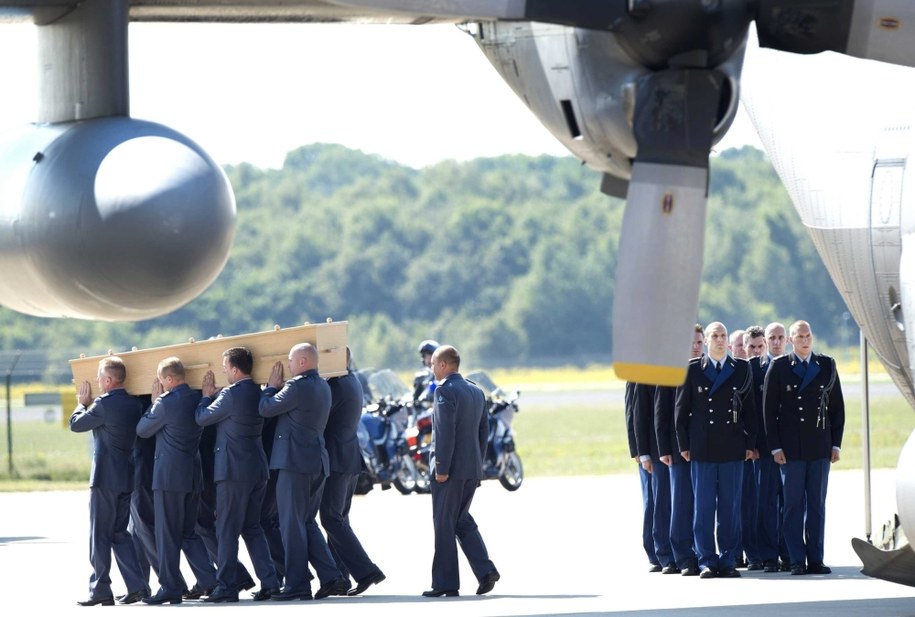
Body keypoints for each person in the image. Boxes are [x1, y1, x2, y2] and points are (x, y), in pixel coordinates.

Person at [259, 342, 349, 601]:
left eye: (290, 360)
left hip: (294, 464)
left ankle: (297, 583)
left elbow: (266, 409)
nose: (287, 365)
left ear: (301, 362)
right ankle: (332, 577)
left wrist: (270, 389)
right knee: (306, 522)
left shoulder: (297, 387)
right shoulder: (322, 385)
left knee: (291, 524)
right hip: (316, 462)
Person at [195, 347, 282, 602]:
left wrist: (205, 397)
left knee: (226, 529)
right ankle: (270, 582)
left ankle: (226, 586)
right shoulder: (258, 392)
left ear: (234, 369)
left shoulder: (231, 395)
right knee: (252, 527)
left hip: (233, 471)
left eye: (225, 367)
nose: (223, 370)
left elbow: (202, 418)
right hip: (257, 468)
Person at [675, 322, 756, 579]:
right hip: (703, 448)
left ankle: (728, 558)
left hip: (732, 448)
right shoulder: (692, 370)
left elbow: (751, 412)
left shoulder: (741, 369)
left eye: (723, 336)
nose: (720, 340)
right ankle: (707, 559)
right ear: (706, 341)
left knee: (730, 508)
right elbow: (681, 413)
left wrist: (750, 445)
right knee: (704, 508)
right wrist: (684, 446)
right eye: (714, 336)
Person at [764, 320, 845, 575]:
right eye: (799, 336)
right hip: (791, 449)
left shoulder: (826, 365)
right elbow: (768, 411)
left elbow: (837, 409)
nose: (805, 340)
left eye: (808, 335)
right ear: (791, 340)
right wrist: (775, 447)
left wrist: (835, 444)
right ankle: (796, 559)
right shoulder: (779, 367)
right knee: (793, 506)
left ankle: (816, 559)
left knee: (817, 505)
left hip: (819, 446)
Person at [136, 357, 217, 604]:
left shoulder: (164, 403)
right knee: (188, 533)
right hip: (193, 475)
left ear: (169, 379)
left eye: (161, 380)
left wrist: (152, 404)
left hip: (169, 478)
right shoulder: (196, 398)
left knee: (167, 534)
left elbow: (142, 430)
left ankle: (170, 587)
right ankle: (211, 580)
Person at [70, 356, 148, 606]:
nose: (96, 382)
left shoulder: (103, 404)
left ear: (108, 380)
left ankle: (100, 589)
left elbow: (76, 425)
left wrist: (81, 404)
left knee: (100, 535)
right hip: (126, 477)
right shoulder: (133, 404)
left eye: (99, 378)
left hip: (104, 478)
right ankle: (137, 586)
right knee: (119, 534)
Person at [424, 345, 499, 598]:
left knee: (444, 524)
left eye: (434, 363)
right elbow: (483, 431)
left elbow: (445, 432)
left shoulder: (445, 391)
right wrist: (477, 465)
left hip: (450, 470)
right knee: (461, 520)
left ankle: (445, 583)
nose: (431, 368)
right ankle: (485, 570)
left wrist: (442, 468)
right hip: (471, 468)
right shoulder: (475, 390)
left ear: (444, 365)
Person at [320, 346, 386, 596]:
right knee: (338, 519)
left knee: (331, 518)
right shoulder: (352, 381)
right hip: (349, 458)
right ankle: (341, 576)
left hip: (338, 460)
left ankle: (366, 571)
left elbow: (320, 416)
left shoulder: (336, 386)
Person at [654, 323, 704, 576]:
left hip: (707, 449)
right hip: (677, 450)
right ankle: (683, 557)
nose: (695, 348)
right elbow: (661, 413)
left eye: (698, 342)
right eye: (690, 343)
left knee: (703, 506)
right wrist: (664, 449)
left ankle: (703, 552)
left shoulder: (707, 368)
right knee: (681, 504)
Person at [763, 321, 791, 570]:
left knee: (790, 503)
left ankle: (789, 552)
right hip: (764, 448)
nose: (776, 342)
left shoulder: (793, 367)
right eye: (772, 337)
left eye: (780, 337)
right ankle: (769, 554)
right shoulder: (753, 367)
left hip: (790, 446)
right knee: (767, 503)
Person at [626, 380, 659, 572]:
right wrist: (638, 450)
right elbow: (633, 411)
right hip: (649, 450)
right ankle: (654, 551)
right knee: (653, 501)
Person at [413, 339, 440, 405]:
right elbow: (415, 398)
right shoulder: (421, 377)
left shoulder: (445, 375)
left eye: (429, 355)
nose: (427, 358)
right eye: (424, 355)